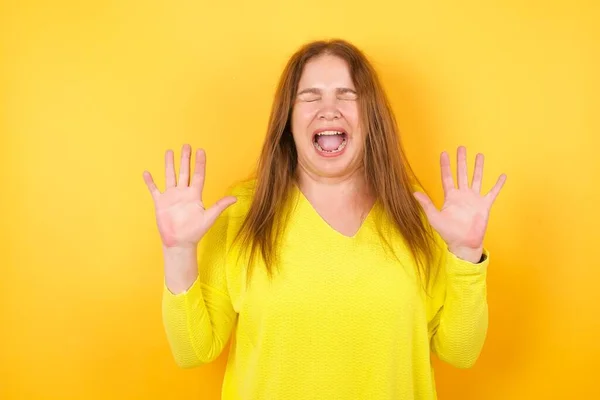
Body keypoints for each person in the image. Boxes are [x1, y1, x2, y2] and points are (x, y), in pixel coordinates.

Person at [142, 39, 506, 400]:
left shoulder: (420, 217)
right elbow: (193, 352)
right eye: (310, 96)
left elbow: (460, 352)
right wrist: (178, 251)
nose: (328, 109)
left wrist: (466, 254)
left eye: (347, 94)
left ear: (371, 117)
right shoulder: (242, 215)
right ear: (287, 118)